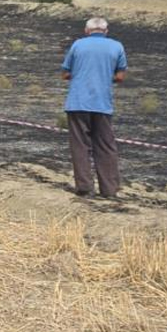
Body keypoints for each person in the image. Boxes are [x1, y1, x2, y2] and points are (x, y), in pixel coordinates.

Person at [61, 17, 128, 198]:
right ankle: (109, 189)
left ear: (86, 30)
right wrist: (106, 77)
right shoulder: (117, 46)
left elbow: (66, 73)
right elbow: (120, 77)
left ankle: (84, 187)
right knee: (106, 146)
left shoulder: (78, 45)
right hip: (102, 103)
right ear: (106, 31)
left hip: (78, 102)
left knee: (80, 145)